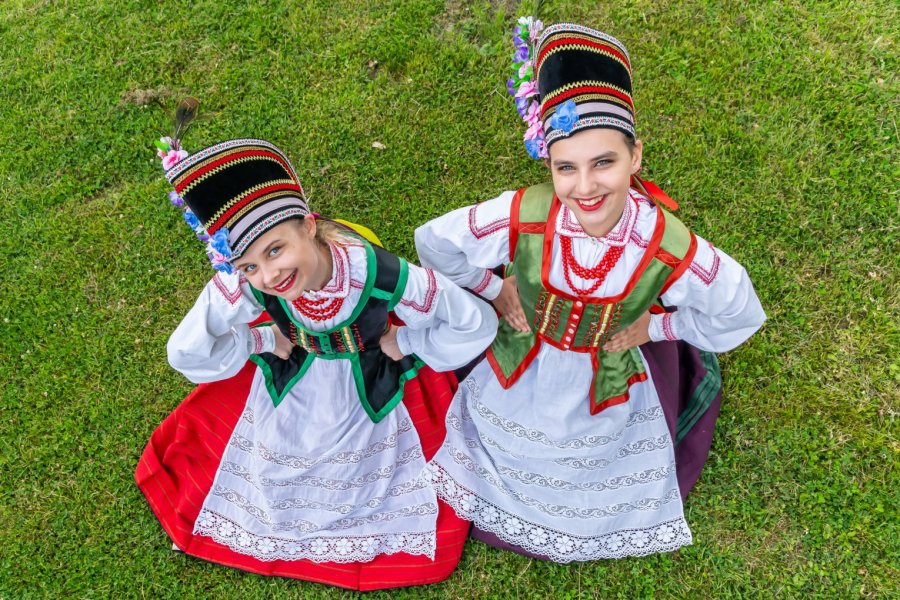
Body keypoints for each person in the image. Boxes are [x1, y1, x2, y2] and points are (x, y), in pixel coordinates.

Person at [414, 21, 766, 562]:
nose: (585, 187)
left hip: (610, 374)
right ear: (549, 165)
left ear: (636, 156)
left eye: (604, 162)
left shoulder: (664, 245)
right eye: (566, 168)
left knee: (594, 465)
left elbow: (738, 310)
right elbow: (435, 241)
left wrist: (658, 325)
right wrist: (494, 286)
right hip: (524, 358)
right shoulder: (527, 215)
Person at [135, 136, 498, 590]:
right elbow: (185, 351)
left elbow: (474, 322)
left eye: (275, 250)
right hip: (297, 375)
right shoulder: (249, 284)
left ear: (309, 226)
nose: (269, 276)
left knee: (362, 484)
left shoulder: (379, 274)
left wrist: (406, 340)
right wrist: (260, 338)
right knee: (272, 475)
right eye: (248, 266)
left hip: (369, 381)